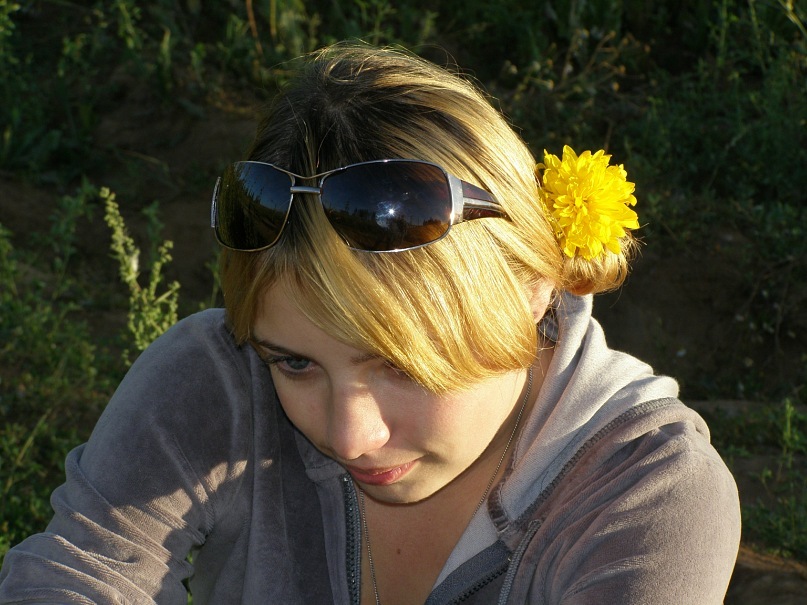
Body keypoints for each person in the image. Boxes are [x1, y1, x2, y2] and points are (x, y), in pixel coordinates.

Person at [0, 42, 740, 604]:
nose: (350, 436)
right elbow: (73, 577)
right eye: (294, 363)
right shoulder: (218, 380)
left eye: (401, 364)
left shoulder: (645, 495)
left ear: (532, 290)